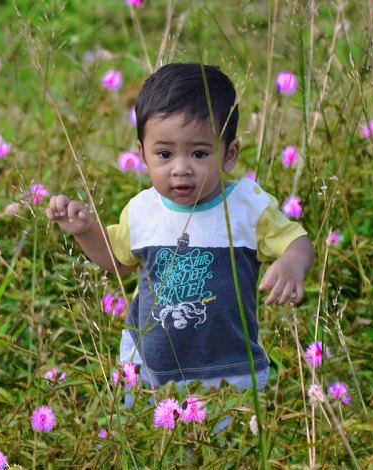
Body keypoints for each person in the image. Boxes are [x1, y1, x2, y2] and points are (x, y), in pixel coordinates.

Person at [46, 63, 314, 400]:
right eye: (165, 154)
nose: (181, 168)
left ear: (229, 155)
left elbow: (297, 241)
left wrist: (292, 262)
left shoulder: (248, 207)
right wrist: (85, 231)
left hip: (230, 369)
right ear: (142, 154)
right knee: (152, 445)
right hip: (148, 367)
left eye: (199, 153)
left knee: (224, 445)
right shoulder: (144, 209)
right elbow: (120, 262)